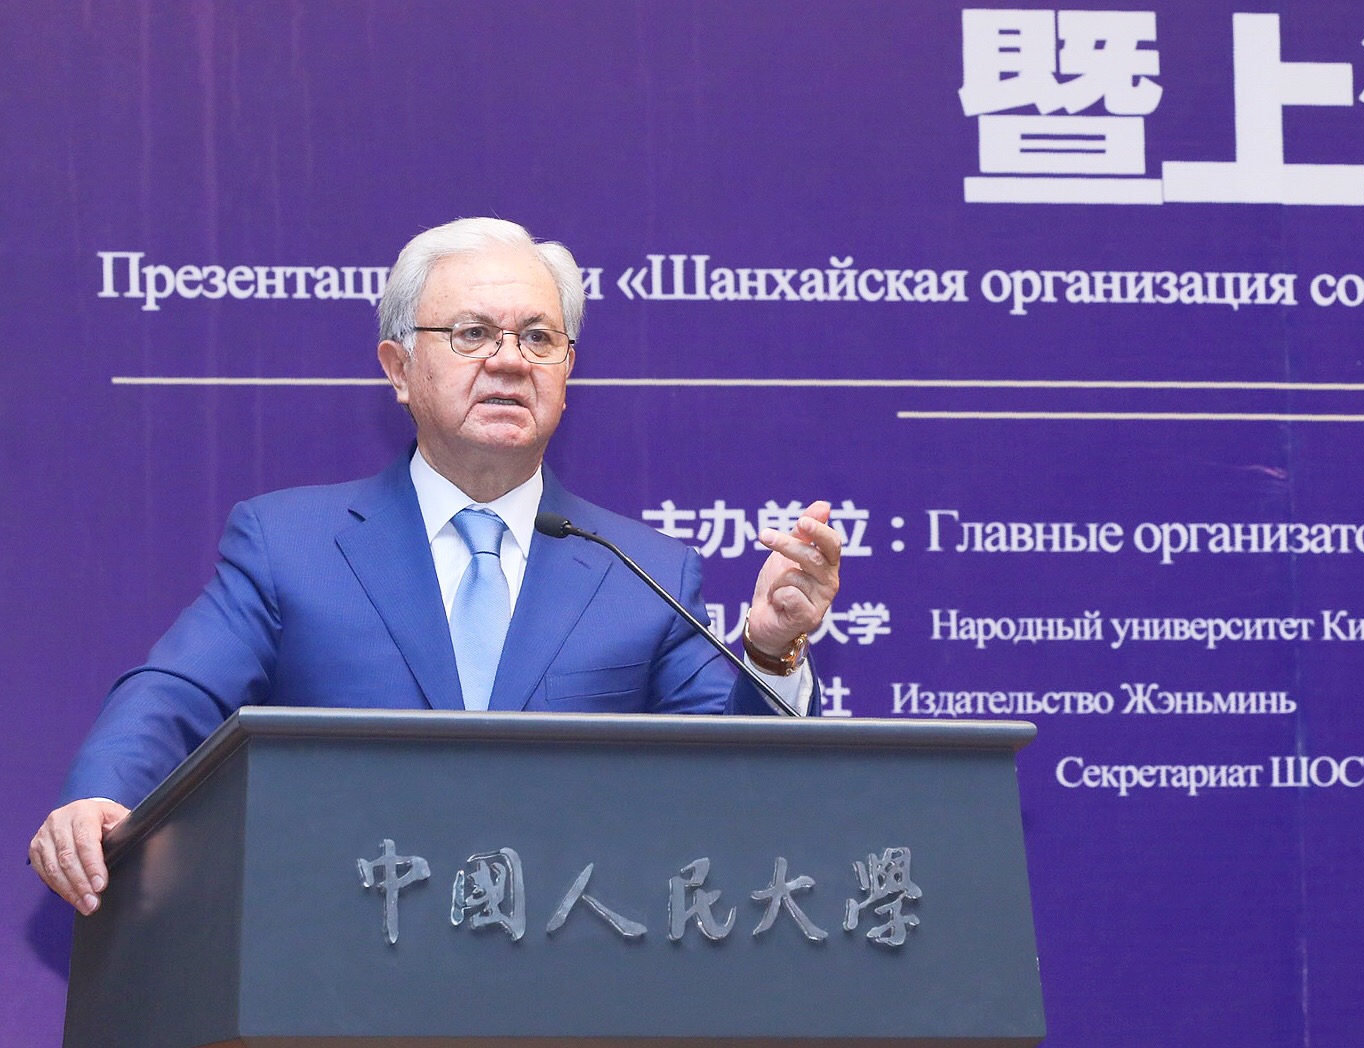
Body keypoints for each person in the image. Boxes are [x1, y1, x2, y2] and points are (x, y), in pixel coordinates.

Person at [29, 218, 841, 916]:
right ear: (397, 368)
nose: (509, 361)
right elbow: (176, 691)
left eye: (538, 338)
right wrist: (103, 794)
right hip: (340, 954)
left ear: (566, 372)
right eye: (472, 334)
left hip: (574, 966)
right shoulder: (290, 545)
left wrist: (771, 654)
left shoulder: (641, 570)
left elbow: (732, 783)